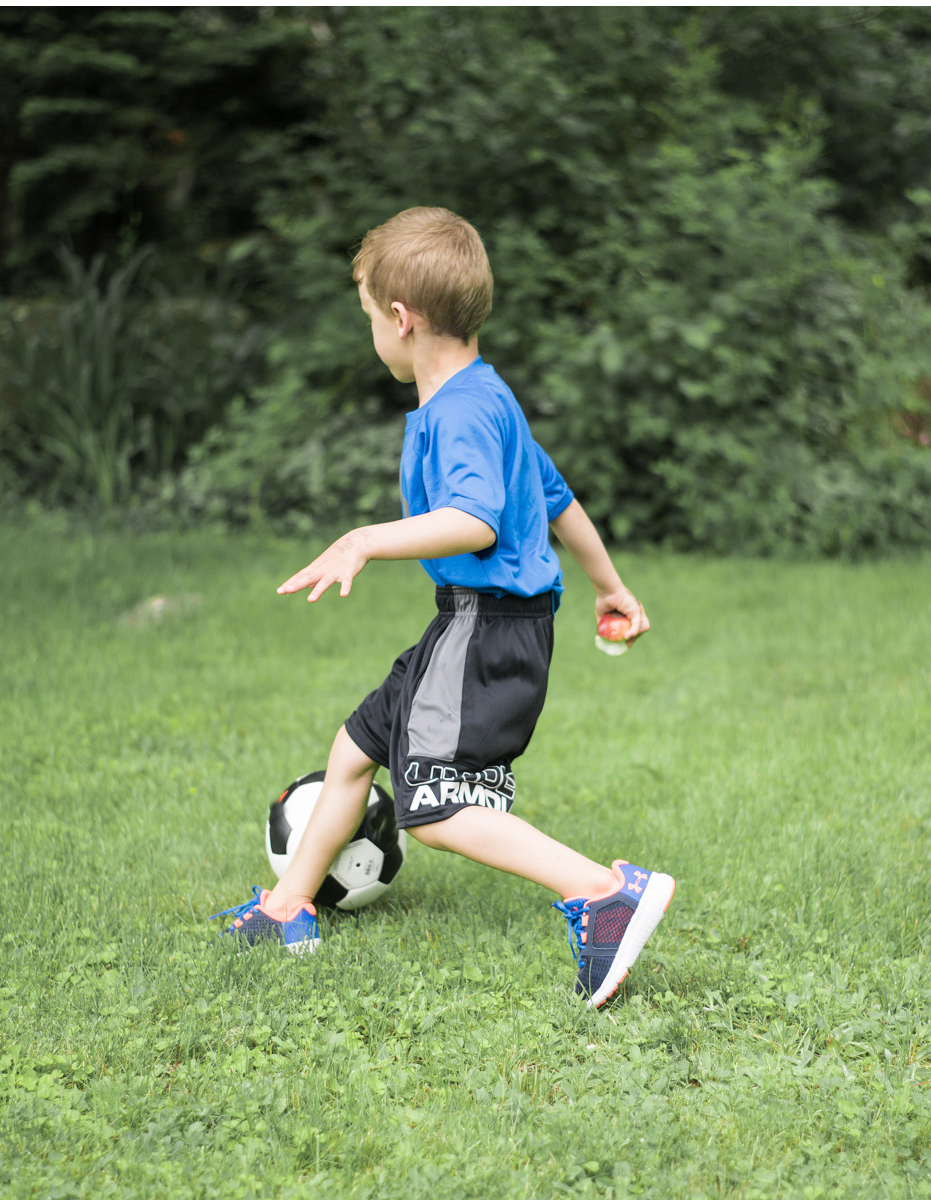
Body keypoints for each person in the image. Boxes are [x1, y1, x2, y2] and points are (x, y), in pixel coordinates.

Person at [213, 206, 675, 1008]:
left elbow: (477, 517)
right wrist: (610, 584)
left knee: (434, 805)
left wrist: (362, 538)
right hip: (476, 620)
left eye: (368, 316)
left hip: (486, 624)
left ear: (402, 319)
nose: (371, 332)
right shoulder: (486, 396)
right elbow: (557, 500)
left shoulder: (463, 410)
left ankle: (604, 892)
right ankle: (288, 905)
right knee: (359, 744)